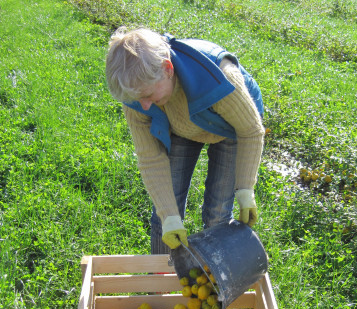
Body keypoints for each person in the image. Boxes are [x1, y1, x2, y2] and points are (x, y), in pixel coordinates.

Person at [106, 27, 265, 254]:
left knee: (218, 214)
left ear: (167, 69)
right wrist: (169, 217)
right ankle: (161, 277)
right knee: (165, 214)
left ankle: (217, 276)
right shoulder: (137, 94)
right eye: (137, 98)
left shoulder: (218, 78)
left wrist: (245, 190)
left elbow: (250, 131)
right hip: (182, 125)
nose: (144, 106)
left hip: (232, 127)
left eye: (148, 95)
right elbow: (150, 157)